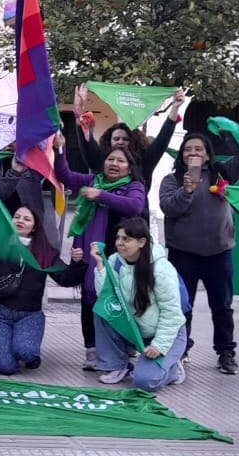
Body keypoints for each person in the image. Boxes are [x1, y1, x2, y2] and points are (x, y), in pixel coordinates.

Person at [53, 130, 148, 370]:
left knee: (120, 301)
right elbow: (64, 174)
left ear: (129, 166)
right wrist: (60, 148)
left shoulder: (134, 186)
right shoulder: (93, 180)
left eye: (120, 161)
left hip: (121, 257)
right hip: (92, 255)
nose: (114, 164)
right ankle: (92, 351)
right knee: (90, 300)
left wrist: (102, 196)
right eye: (110, 159)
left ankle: (126, 350)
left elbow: (135, 206)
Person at [158, 131, 239, 374]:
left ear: (208, 155)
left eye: (199, 149)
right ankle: (180, 349)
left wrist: (229, 136)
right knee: (182, 305)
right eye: (188, 149)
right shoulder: (172, 179)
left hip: (219, 252)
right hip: (183, 252)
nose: (193, 153)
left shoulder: (222, 175)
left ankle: (226, 352)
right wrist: (186, 190)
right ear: (182, 154)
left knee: (222, 305)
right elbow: (168, 208)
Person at [0, 205, 87, 375]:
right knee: (5, 367)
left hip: (29, 315)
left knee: (25, 351)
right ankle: (5, 348)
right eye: (17, 217)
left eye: (26, 219)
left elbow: (66, 279)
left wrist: (77, 263)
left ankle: (30, 354)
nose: (20, 221)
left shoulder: (45, 252)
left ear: (35, 226)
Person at [93, 217, 187, 391]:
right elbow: (106, 299)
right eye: (118, 238)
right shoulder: (115, 261)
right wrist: (100, 266)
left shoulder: (161, 270)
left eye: (126, 239)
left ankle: (173, 369)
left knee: (144, 381)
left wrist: (159, 345)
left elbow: (172, 314)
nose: (119, 243)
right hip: (137, 332)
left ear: (142, 242)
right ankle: (117, 365)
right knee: (102, 311)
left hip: (167, 334)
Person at [73, 88, 185, 193]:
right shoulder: (100, 161)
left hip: (135, 213)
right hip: (102, 212)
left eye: (125, 139)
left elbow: (162, 140)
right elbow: (86, 142)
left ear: (133, 141)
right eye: (116, 139)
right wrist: (79, 113)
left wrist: (175, 108)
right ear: (109, 141)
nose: (120, 142)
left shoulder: (144, 161)